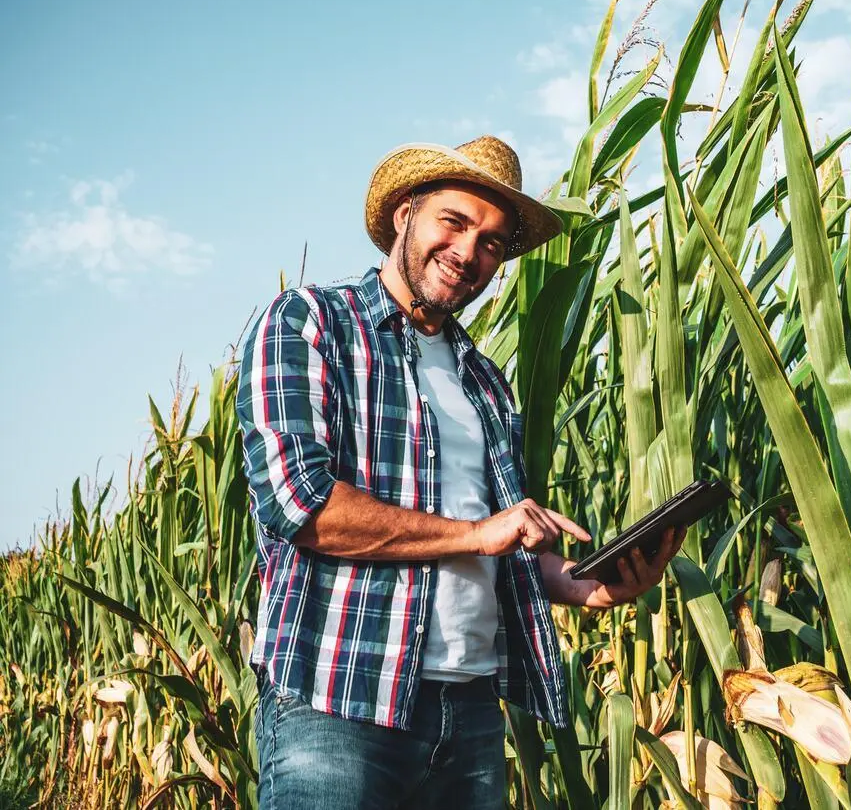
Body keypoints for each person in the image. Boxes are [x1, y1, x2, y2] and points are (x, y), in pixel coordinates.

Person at [235, 135, 686, 809]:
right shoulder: (311, 323)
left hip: (469, 714)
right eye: (455, 221)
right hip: (338, 700)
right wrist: (480, 533)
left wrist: (584, 586)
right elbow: (302, 505)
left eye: (493, 243)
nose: (470, 251)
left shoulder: (485, 382)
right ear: (405, 215)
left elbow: (495, 550)